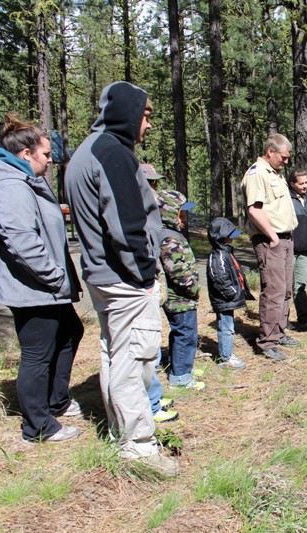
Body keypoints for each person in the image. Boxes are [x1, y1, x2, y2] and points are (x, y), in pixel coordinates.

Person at [65, 81, 178, 476]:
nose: (148, 124)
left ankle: (120, 433)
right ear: (128, 112)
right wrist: (145, 276)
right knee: (137, 359)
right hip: (124, 280)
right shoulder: (112, 154)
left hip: (105, 275)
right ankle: (139, 449)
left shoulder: (86, 152)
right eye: (146, 115)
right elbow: (127, 228)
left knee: (116, 355)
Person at [0, 113, 83, 443]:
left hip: (42, 287)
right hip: (32, 288)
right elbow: (21, 242)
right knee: (37, 353)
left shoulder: (23, 181)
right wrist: (54, 277)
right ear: (26, 154)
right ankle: (37, 426)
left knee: (70, 331)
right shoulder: (9, 186)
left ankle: (55, 401)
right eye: (47, 155)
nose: (51, 161)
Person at [240, 133, 299, 362]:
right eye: (283, 157)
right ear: (270, 151)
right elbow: (254, 210)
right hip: (269, 240)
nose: (285, 162)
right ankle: (267, 342)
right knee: (273, 290)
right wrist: (273, 237)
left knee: (285, 290)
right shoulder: (257, 173)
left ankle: (279, 331)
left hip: (285, 238)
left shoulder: (276, 173)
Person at [139, 163, 178, 424]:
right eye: (150, 183)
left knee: (152, 341)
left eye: (156, 183)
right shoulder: (138, 206)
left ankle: (152, 393)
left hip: (151, 273)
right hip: (141, 277)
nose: (155, 188)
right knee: (144, 344)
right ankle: (149, 401)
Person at [158, 190, 204, 390]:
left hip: (184, 298)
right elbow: (176, 271)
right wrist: (193, 288)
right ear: (169, 213)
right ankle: (180, 377)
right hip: (180, 299)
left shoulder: (173, 235)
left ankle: (183, 366)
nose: (184, 218)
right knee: (185, 334)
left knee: (184, 333)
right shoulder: (169, 239)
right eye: (180, 213)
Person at [207, 217, 254, 369]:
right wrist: (232, 293)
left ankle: (227, 354)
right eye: (230, 234)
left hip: (228, 300)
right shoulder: (218, 256)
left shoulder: (226, 252)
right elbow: (219, 279)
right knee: (226, 328)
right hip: (224, 300)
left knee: (229, 327)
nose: (233, 238)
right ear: (221, 236)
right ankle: (226, 358)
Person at [287, 168, 307, 329]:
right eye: (301, 183)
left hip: (303, 252)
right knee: (285, 286)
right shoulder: (287, 200)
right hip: (288, 251)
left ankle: (304, 317)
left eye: (306, 182)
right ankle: (282, 319)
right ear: (292, 184)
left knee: (300, 284)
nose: (305, 186)